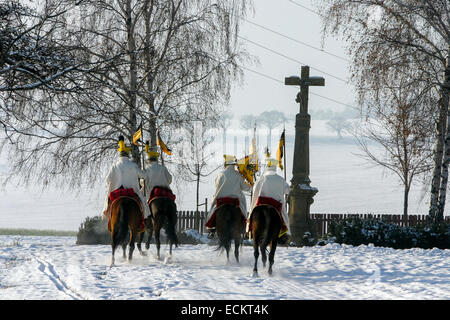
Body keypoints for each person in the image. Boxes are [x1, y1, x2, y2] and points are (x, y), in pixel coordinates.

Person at [102, 136, 151, 220]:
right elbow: (144, 176)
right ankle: (143, 221)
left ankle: (108, 218)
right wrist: (144, 171)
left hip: (116, 191)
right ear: (128, 155)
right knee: (143, 204)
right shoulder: (133, 165)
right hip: (132, 191)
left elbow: (108, 180)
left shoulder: (114, 167)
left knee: (108, 204)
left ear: (120, 154)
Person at [205, 155, 251, 238]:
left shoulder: (220, 174)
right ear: (233, 164)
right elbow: (245, 187)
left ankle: (211, 228)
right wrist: (251, 186)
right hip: (234, 200)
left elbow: (216, 185)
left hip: (221, 200)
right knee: (243, 208)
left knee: (212, 209)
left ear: (226, 164)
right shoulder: (238, 174)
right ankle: (245, 228)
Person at [247, 155, 290, 243]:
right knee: (284, 216)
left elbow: (255, 192)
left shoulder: (260, 179)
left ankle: (249, 228)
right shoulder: (281, 179)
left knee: (253, 210)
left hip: (261, 203)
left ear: (267, 167)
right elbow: (287, 191)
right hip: (276, 205)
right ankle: (285, 233)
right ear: (275, 167)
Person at [142, 141, 175, 205]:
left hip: (151, 194)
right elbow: (169, 179)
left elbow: (143, 183)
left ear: (148, 160)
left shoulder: (146, 169)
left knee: (144, 209)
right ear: (156, 159)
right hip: (165, 193)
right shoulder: (162, 168)